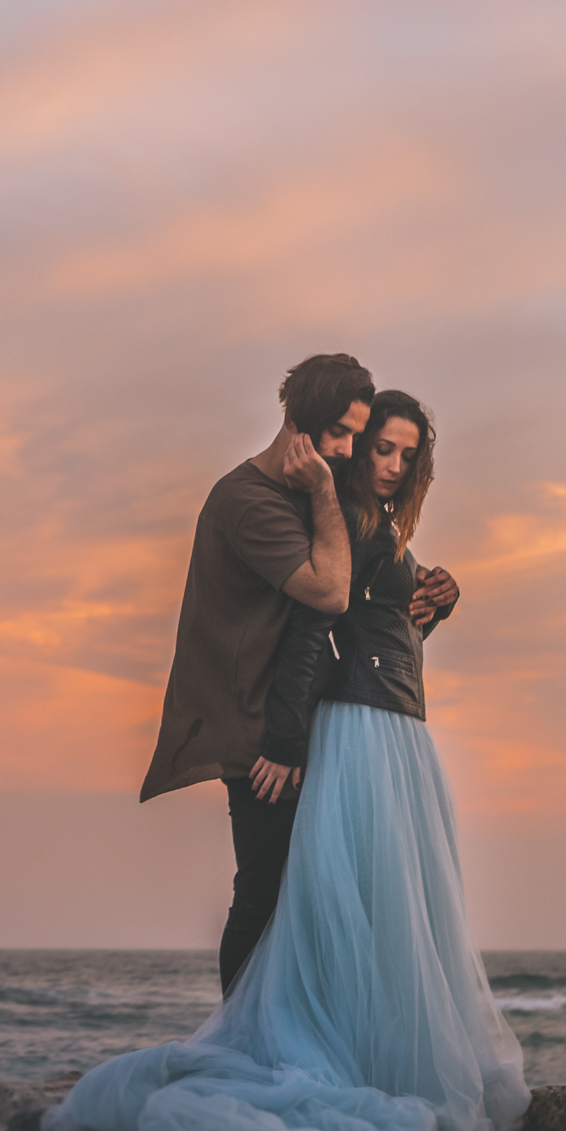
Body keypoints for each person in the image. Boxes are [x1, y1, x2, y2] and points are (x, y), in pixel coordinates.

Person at [43, 390, 527, 1131]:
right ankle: (278, 1046)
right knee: (335, 900)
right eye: (382, 448)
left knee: (379, 906)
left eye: (409, 455)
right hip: (361, 730)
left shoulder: (378, 532)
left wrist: (437, 601)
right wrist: (286, 742)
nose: (395, 466)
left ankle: (353, 1054)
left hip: (396, 727)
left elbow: (385, 633)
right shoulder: (345, 525)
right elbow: (313, 631)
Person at [138, 353, 372, 997]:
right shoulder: (249, 501)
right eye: (339, 434)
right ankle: (239, 1039)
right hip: (257, 731)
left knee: (300, 887)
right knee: (264, 891)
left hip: (284, 720)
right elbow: (329, 592)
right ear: (298, 424)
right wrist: (326, 492)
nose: (349, 450)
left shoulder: (296, 496)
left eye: (357, 434)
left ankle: (281, 1030)